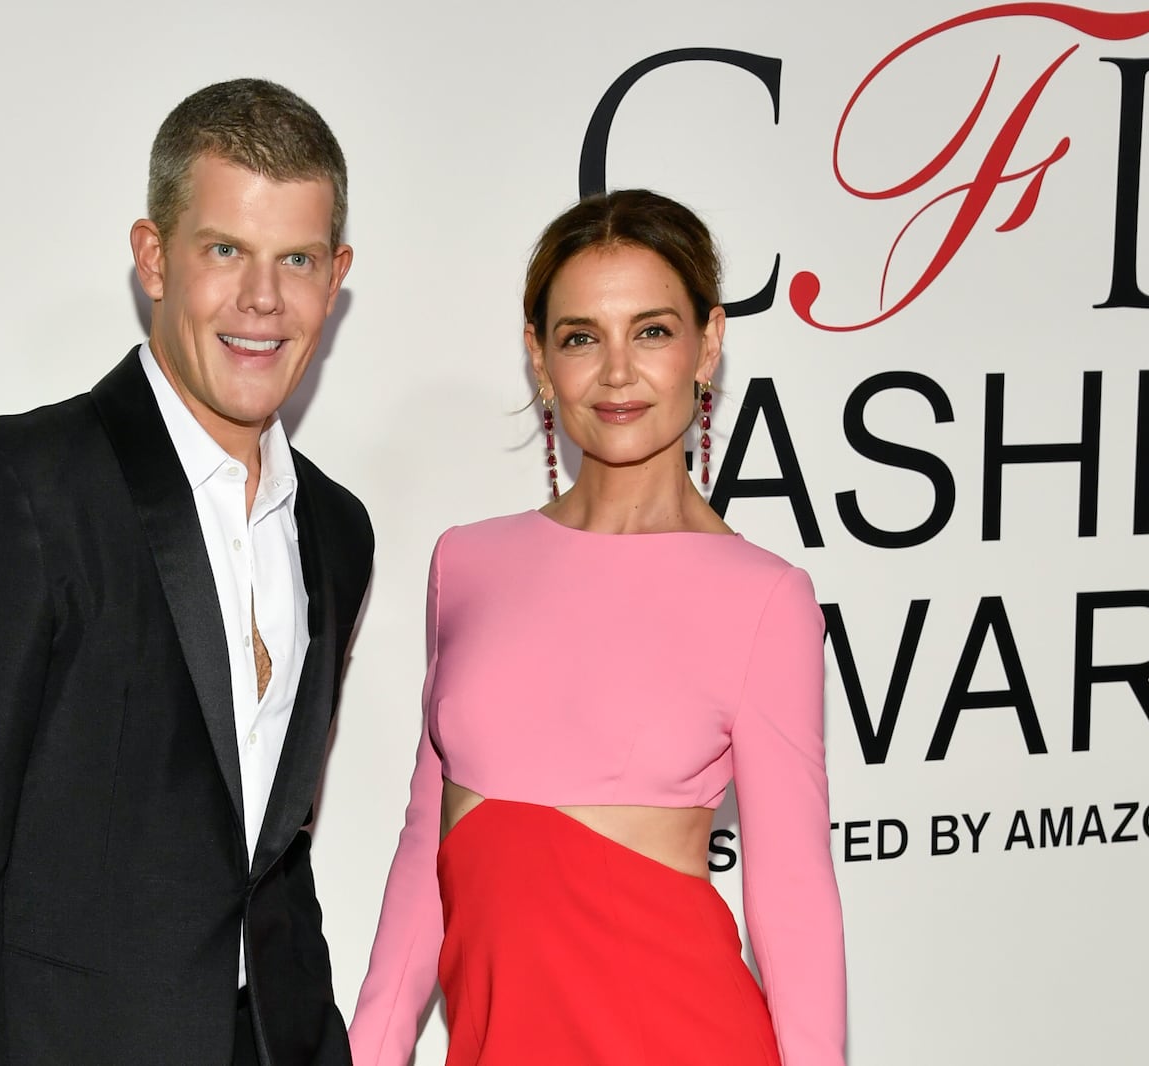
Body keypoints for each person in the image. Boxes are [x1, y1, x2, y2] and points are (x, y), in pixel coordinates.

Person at [0, 79, 371, 1066]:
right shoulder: (18, 488)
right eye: (225, 250)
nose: (262, 299)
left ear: (336, 275)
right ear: (154, 258)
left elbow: (272, 850)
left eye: (297, 259)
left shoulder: (336, 527)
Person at [348, 189, 845, 1065]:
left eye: (652, 331)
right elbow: (427, 846)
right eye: (582, 337)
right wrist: (373, 1048)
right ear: (540, 360)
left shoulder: (764, 598)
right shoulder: (466, 565)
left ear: (708, 344)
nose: (618, 373)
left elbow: (792, 899)